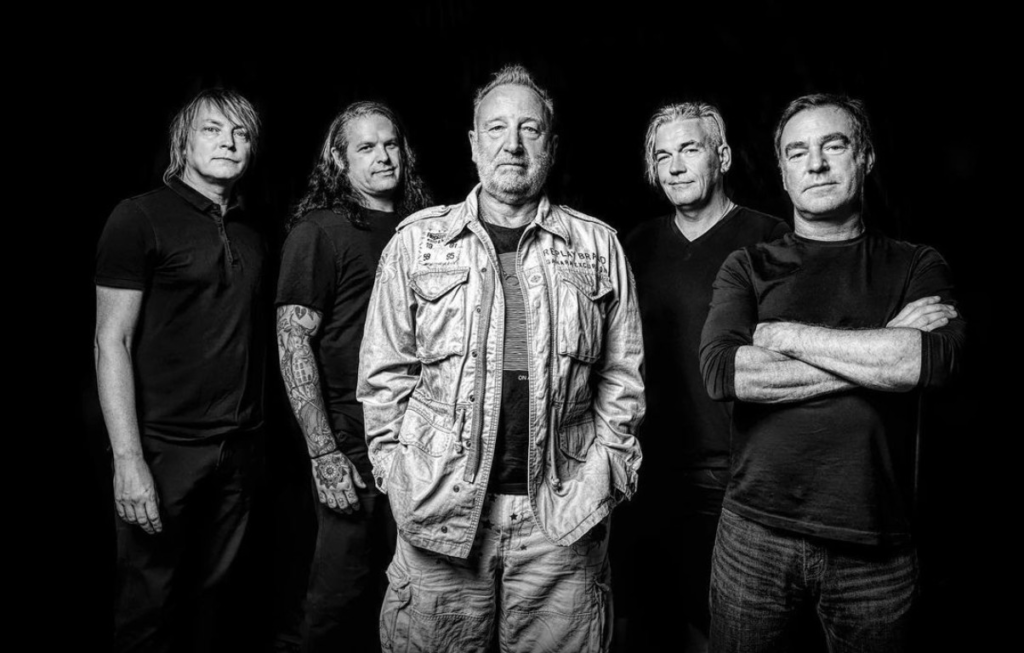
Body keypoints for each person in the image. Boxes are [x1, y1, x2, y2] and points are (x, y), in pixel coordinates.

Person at [358, 64, 645, 653]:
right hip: (439, 513)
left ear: (551, 145)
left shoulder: (598, 246)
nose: (512, 144)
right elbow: (384, 373)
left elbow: (623, 378)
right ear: (473, 143)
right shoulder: (417, 243)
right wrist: (397, 474)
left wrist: (608, 472)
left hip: (563, 521)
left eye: (529, 129)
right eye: (496, 128)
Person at [699, 94, 965, 652]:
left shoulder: (916, 264)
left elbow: (929, 362)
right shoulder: (747, 266)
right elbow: (726, 373)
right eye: (798, 152)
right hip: (754, 536)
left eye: (834, 146)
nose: (816, 164)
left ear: (865, 157)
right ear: (783, 173)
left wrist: (784, 336)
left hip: (876, 545)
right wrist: (884, 345)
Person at [94, 88, 266, 653]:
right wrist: (128, 461)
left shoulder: (252, 231)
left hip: (237, 452)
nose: (228, 142)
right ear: (184, 143)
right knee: (148, 611)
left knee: (216, 610)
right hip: (163, 450)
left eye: (240, 133)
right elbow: (111, 341)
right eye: (213, 130)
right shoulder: (139, 217)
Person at [623, 101, 789, 651]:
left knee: (731, 632)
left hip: (740, 479)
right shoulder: (636, 245)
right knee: (651, 629)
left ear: (723, 157)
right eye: (662, 156)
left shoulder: (771, 238)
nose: (674, 167)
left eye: (689, 149)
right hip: (648, 474)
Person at [275, 101, 432, 653]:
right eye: (366, 147)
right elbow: (293, 340)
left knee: (417, 602)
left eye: (391, 144)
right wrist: (324, 452)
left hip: (424, 446)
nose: (383, 156)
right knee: (339, 603)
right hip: (352, 445)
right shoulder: (320, 231)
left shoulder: (425, 229)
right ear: (340, 161)